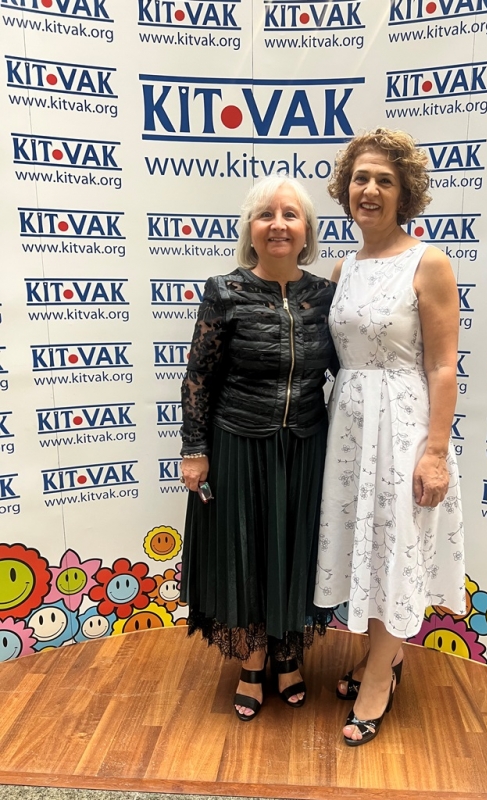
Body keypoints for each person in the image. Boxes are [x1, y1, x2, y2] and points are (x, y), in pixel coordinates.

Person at [314, 128, 466, 746]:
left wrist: (435, 453)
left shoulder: (429, 262)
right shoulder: (342, 267)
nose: (370, 190)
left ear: (405, 194)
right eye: (360, 178)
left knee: (394, 544)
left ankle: (380, 674)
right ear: (345, 189)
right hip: (349, 427)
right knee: (367, 545)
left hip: (404, 429)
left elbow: (443, 365)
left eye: (384, 180)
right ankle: (387, 654)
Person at [179, 175, 337, 722]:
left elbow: (347, 370)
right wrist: (194, 448)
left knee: (294, 548)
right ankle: (252, 660)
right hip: (239, 443)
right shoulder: (225, 290)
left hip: (306, 445)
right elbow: (199, 375)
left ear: (306, 230)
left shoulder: (324, 296)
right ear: (251, 229)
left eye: (290, 215)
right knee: (246, 551)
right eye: (266, 215)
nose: (278, 224)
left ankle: (288, 653)